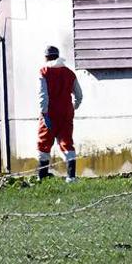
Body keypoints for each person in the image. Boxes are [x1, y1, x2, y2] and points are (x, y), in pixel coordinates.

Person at [37, 45, 83, 181]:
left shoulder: (44, 71)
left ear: (46, 57)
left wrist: (43, 113)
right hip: (66, 113)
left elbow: (43, 95)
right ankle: (71, 177)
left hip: (49, 113)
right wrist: (73, 107)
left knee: (44, 142)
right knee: (67, 142)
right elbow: (79, 95)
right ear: (58, 56)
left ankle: (42, 175)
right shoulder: (69, 73)